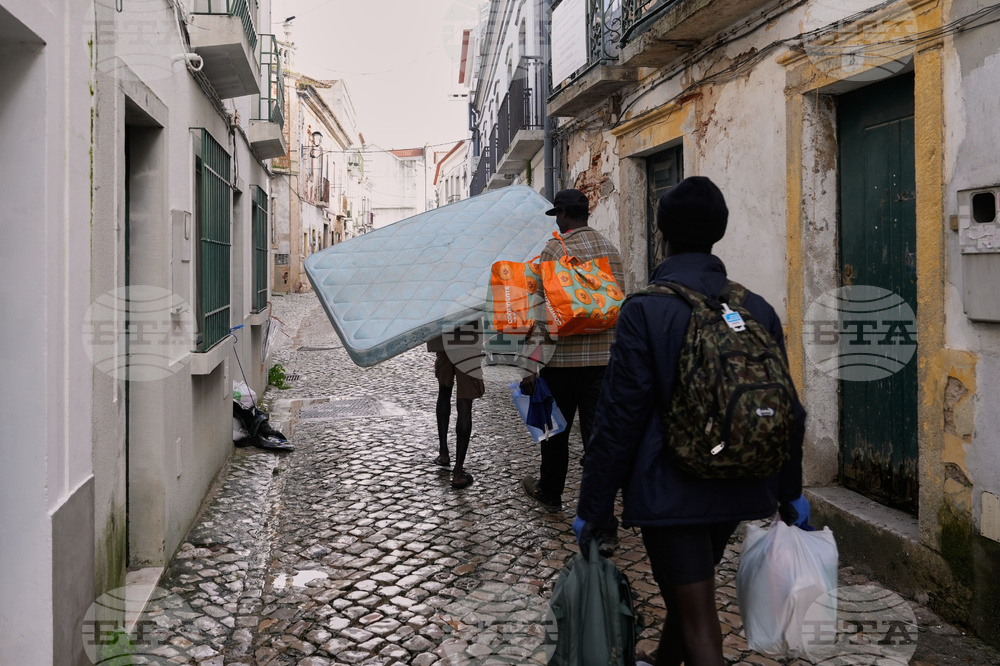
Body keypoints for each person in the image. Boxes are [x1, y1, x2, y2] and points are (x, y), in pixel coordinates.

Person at [573, 176, 809, 666]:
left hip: (672, 490)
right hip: (739, 483)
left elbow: (619, 419)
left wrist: (594, 508)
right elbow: (788, 408)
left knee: (702, 630)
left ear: (663, 234)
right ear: (717, 232)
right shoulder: (754, 306)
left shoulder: (645, 309)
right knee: (690, 594)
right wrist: (789, 491)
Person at [520, 188, 625, 513]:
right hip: (602, 363)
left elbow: (542, 313)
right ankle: (602, 518)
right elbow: (618, 305)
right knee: (598, 440)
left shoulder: (554, 250)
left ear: (564, 215)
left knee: (554, 434)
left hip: (560, 362)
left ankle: (550, 492)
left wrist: (530, 366)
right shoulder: (611, 251)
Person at [428, 321, 485, 489]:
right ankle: (458, 472)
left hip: (443, 334)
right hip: (467, 336)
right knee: (465, 403)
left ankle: (444, 453)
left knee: (444, 391)